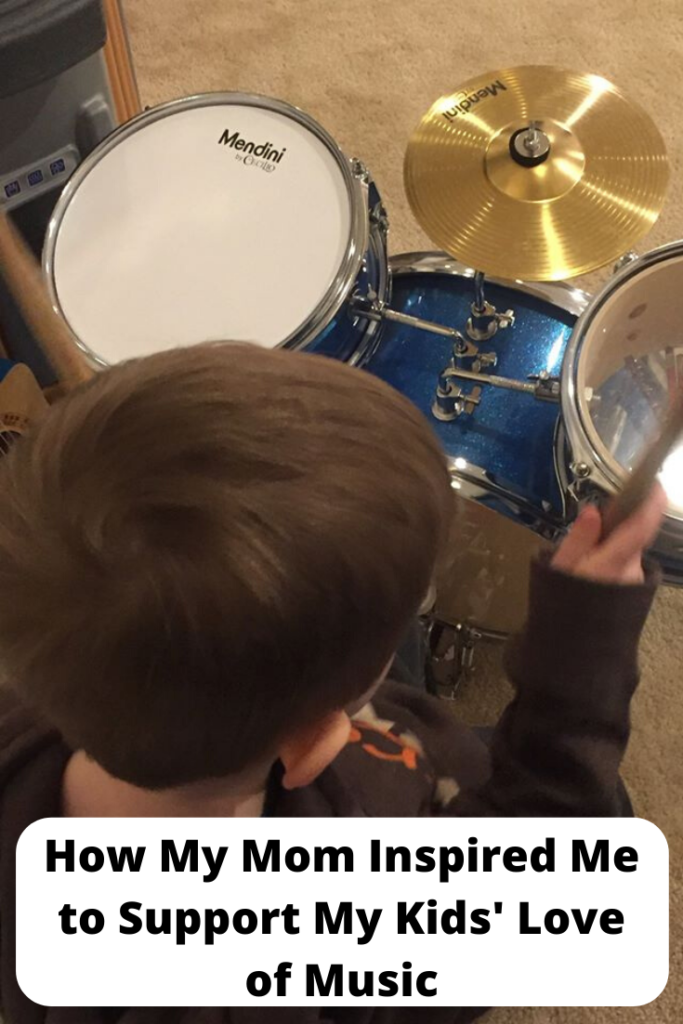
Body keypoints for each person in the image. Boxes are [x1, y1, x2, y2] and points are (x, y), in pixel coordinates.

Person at [0, 342, 665, 1024]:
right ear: (321, 740)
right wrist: (578, 654)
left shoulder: (48, 679)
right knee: (597, 806)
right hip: (418, 830)